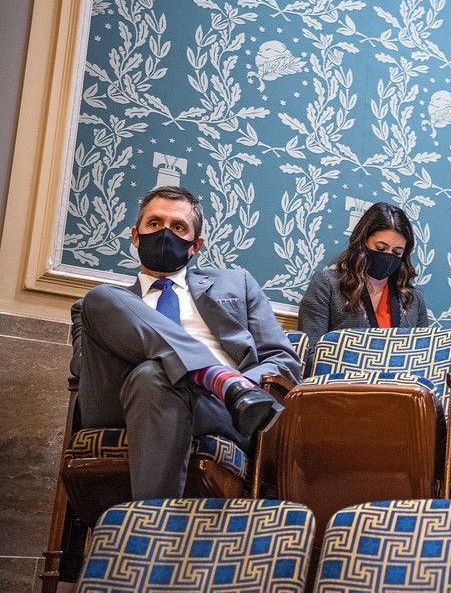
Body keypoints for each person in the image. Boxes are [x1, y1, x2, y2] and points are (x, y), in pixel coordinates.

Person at [70, 185, 302, 500]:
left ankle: (149, 531)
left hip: (217, 407)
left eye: (178, 227)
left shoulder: (237, 284)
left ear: (195, 246)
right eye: (154, 224)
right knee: (99, 297)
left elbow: (283, 360)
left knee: (154, 376)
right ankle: (218, 376)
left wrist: (245, 383)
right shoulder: (102, 307)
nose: (165, 233)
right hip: (118, 400)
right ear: (136, 236)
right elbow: (85, 370)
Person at [298, 202, 428, 373]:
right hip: (340, 391)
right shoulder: (327, 284)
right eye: (381, 248)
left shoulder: (413, 299)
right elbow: (309, 356)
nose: (388, 256)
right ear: (362, 242)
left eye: (397, 252)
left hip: (396, 395)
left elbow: (424, 359)